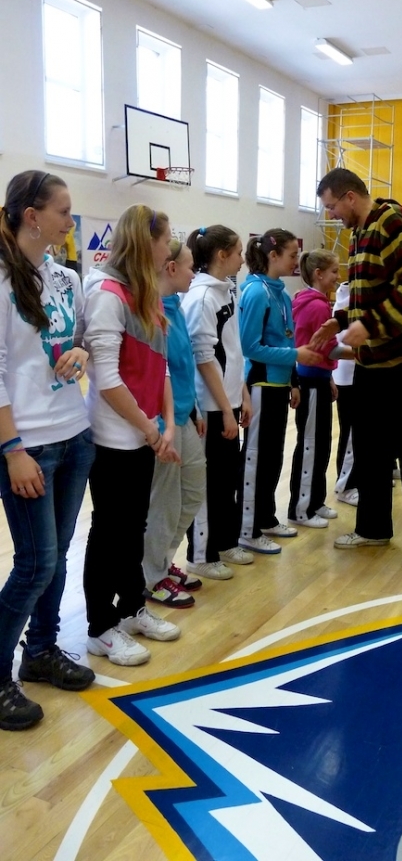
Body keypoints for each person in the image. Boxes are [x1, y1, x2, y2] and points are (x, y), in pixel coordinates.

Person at [313, 168, 402, 569]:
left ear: (350, 197)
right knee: (370, 449)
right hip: (372, 362)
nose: (331, 215)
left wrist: (368, 326)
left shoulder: (393, 222)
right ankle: (373, 528)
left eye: (332, 206)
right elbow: (368, 296)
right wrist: (340, 320)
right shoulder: (359, 233)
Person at [0, 170, 95, 731]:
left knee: (54, 558)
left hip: (73, 434)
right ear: (32, 216)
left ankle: (40, 651)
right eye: (63, 211)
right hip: (27, 445)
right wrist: (12, 449)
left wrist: (82, 352)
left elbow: (79, 339)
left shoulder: (66, 277)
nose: (69, 221)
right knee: (34, 564)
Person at [83, 204, 181, 666]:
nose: (170, 248)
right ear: (147, 242)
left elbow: (160, 367)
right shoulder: (107, 295)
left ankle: (130, 608)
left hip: (145, 435)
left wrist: (167, 424)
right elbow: (107, 380)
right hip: (113, 438)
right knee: (109, 531)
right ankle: (100, 628)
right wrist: (149, 429)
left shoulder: (147, 293)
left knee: (133, 529)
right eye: (165, 239)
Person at [237, 229, 320, 554]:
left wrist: (293, 380)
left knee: (272, 458)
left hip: (279, 385)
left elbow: (286, 339)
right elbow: (250, 347)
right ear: (273, 256)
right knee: (256, 458)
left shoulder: (282, 294)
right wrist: (296, 356)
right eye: (291, 255)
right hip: (260, 385)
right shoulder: (256, 292)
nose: (296, 261)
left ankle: (266, 518)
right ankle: (247, 529)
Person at [180, 225, 253, 577]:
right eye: (238, 253)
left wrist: (243, 395)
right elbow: (204, 358)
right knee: (208, 485)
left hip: (228, 401)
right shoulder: (201, 298)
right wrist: (225, 408)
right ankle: (202, 555)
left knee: (226, 481)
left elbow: (233, 352)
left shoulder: (225, 292)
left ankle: (225, 541)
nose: (243, 259)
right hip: (210, 407)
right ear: (222, 255)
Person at [142, 239, 206, 607]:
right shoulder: (151, 310)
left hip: (184, 415)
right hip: (163, 422)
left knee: (193, 493)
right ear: (170, 268)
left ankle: (163, 561)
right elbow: (154, 373)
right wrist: (159, 424)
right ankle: (152, 577)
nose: (193, 273)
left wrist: (195, 408)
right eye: (190, 266)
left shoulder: (176, 307)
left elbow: (184, 366)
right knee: (164, 504)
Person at [288, 249, 341, 529]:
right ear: (318, 274)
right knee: (310, 445)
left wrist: (329, 376)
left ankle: (315, 501)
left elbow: (321, 350)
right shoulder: (318, 306)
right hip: (309, 382)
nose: (338, 277)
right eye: (334, 272)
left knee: (320, 445)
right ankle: (301, 508)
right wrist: (364, 353)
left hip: (317, 378)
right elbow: (328, 348)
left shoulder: (315, 301)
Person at [332, 280, 359, 507]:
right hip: (348, 378)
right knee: (350, 433)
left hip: (357, 375)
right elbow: (338, 344)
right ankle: (345, 485)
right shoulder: (346, 298)